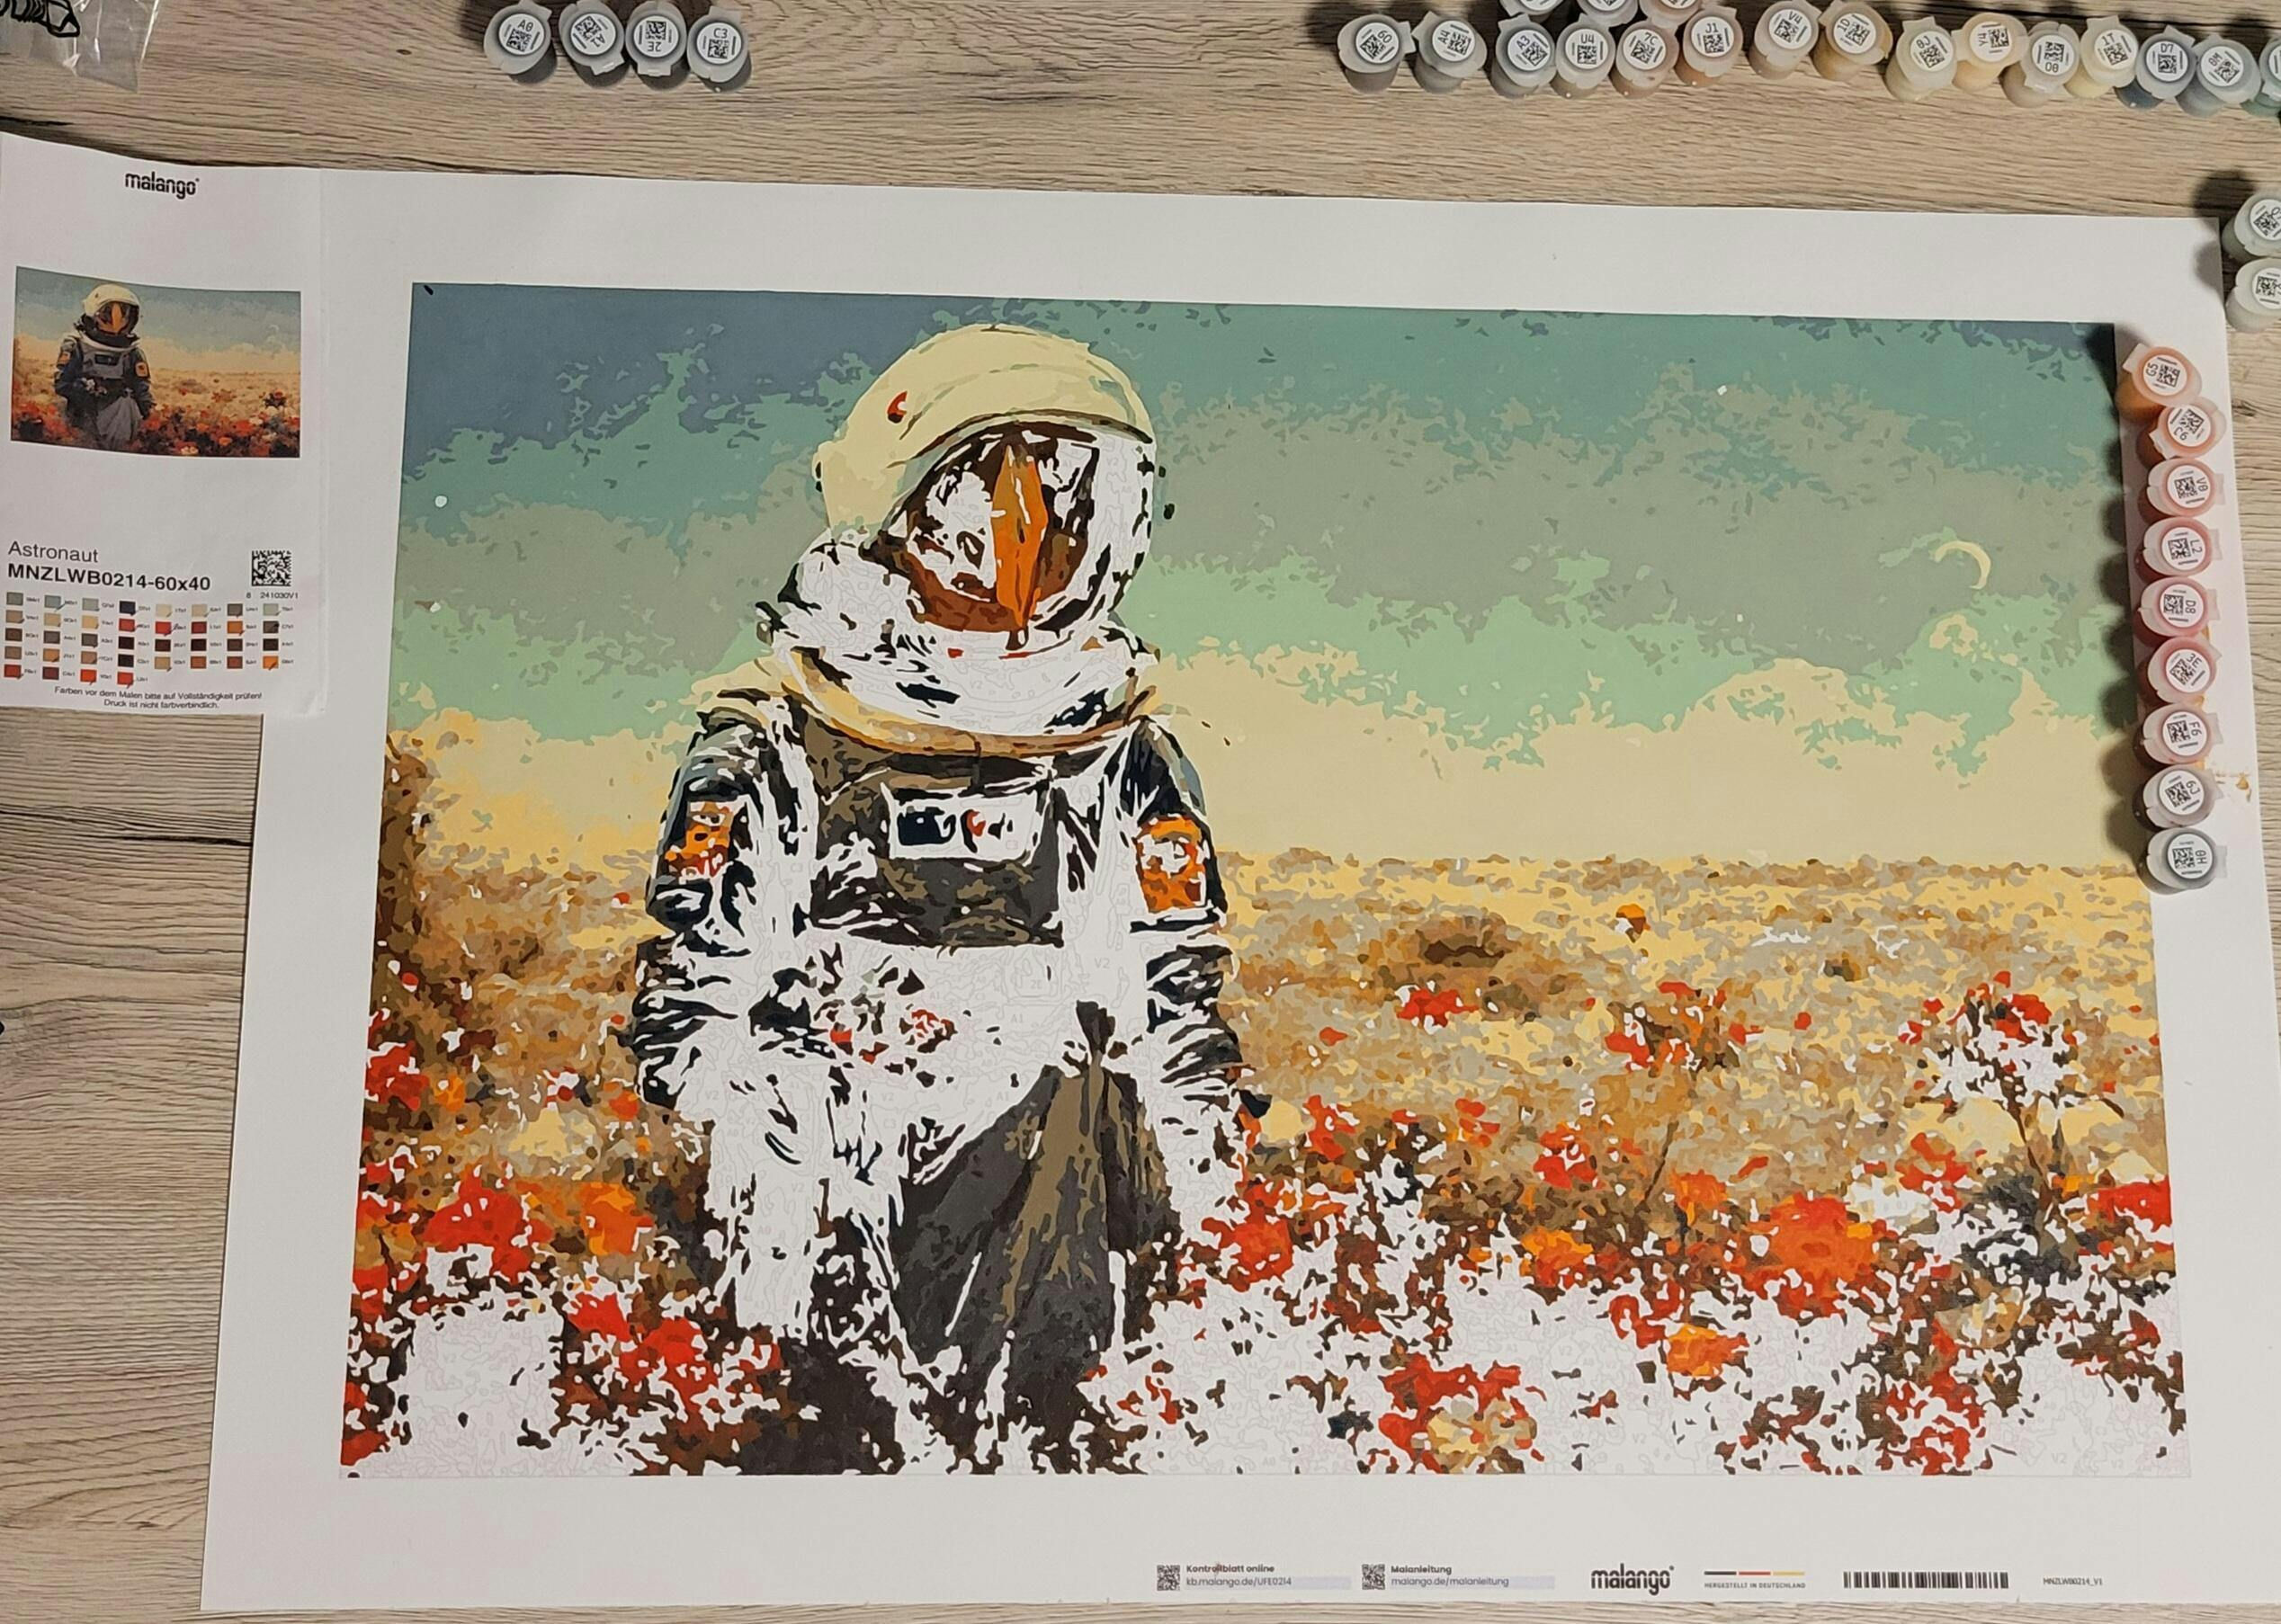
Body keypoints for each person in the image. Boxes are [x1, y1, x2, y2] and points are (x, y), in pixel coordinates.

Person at [626, 324, 1242, 1470]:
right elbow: (694, 1000)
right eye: (1005, 491)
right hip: (816, 1151)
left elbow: (1171, 993)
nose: (1038, 532)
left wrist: (1199, 1172)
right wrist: (773, 1119)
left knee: (1066, 1102)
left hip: (1045, 1178)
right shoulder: (779, 739)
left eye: (1078, 496)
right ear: (908, 505)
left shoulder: (1119, 755)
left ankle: (1030, 1432)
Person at [53, 282, 155, 451]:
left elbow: (141, 388)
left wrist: (150, 417)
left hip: (120, 415)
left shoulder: (131, 353)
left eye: (123, 315)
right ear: (93, 314)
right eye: (108, 315)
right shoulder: (76, 345)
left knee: (126, 406)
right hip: (84, 412)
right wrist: (86, 389)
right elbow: (62, 384)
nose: (116, 322)